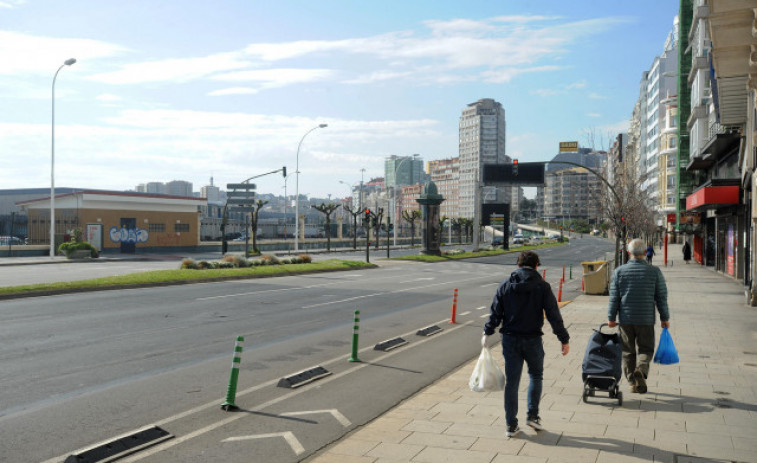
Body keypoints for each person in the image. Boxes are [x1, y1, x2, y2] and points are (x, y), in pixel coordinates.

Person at [484, 250, 570, 438]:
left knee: (512, 382)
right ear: (537, 265)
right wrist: (563, 338)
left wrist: (488, 331)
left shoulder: (505, 285)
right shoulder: (542, 286)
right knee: (536, 376)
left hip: (510, 339)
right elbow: (554, 315)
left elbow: (495, 313)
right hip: (532, 339)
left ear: (518, 264)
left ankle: (510, 425)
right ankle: (532, 416)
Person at [608, 238, 670, 394]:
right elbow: (661, 297)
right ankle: (641, 369)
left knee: (627, 351)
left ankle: (632, 383)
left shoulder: (619, 272)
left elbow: (614, 297)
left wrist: (611, 318)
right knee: (646, 349)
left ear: (629, 253)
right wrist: (664, 318)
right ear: (644, 253)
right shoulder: (654, 272)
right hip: (646, 319)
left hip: (626, 319)